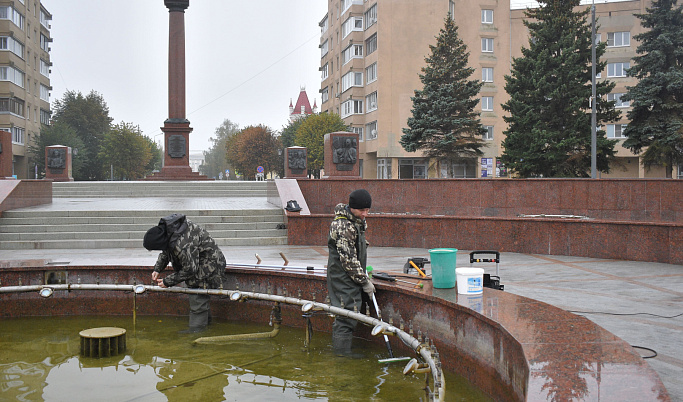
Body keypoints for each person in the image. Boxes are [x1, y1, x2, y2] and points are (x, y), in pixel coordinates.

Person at [143, 213, 227, 333]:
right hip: (201, 263)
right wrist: (157, 269)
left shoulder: (183, 244)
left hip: (210, 265)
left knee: (197, 294)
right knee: (200, 299)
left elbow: (190, 269)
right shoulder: (170, 232)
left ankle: (195, 333)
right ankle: (206, 328)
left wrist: (168, 281)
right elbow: (166, 252)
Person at [327, 189, 375, 356]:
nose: (365, 214)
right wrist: (364, 281)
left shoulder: (355, 221)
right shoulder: (343, 225)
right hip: (342, 277)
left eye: (367, 210)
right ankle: (342, 355)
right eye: (362, 210)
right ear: (352, 208)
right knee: (345, 314)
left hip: (350, 275)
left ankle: (345, 349)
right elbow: (348, 260)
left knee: (352, 311)